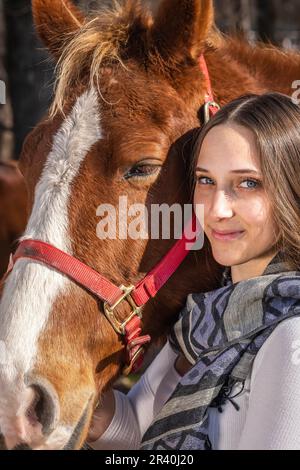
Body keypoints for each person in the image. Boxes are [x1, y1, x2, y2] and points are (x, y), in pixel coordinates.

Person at [87, 92, 300, 450]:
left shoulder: (291, 340)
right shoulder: (204, 316)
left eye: (247, 183)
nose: (216, 209)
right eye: (206, 180)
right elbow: (140, 430)